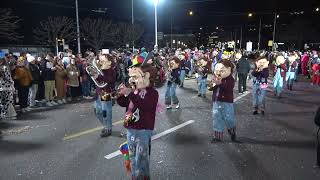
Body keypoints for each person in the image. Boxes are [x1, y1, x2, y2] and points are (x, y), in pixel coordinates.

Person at [117, 56, 158, 180]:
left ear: (146, 77)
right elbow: (125, 103)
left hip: (143, 130)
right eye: (131, 77)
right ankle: (138, 177)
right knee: (133, 157)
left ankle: (141, 177)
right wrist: (121, 95)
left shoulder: (152, 93)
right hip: (131, 128)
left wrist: (131, 93)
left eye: (136, 77)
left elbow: (145, 105)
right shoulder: (134, 91)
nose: (132, 80)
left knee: (141, 158)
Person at [210, 59, 236, 142]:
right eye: (217, 70)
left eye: (222, 70)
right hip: (216, 101)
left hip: (227, 102)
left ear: (229, 69)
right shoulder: (216, 77)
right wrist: (212, 84)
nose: (218, 72)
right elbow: (211, 87)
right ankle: (217, 137)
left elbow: (229, 88)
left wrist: (220, 84)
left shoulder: (230, 79)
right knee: (217, 118)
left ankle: (232, 131)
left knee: (229, 118)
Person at [94, 54, 116, 137]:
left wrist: (99, 76)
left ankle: (108, 128)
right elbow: (97, 80)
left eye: (103, 61)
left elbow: (111, 80)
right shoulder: (100, 69)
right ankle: (106, 125)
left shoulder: (112, 70)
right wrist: (95, 76)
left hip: (106, 93)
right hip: (98, 93)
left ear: (109, 62)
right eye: (100, 60)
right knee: (97, 111)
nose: (100, 62)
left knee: (106, 112)